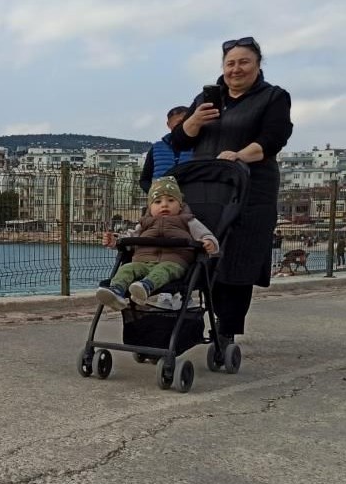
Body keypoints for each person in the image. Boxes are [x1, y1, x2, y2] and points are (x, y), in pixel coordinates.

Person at [170, 36, 293, 343]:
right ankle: (182, 324)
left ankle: (226, 331)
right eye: (230, 63)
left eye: (243, 62)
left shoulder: (273, 97)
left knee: (238, 259)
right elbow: (179, 141)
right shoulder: (207, 97)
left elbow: (273, 139)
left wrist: (239, 154)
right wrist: (193, 121)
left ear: (258, 64)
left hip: (251, 189)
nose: (236, 69)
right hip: (205, 188)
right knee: (197, 254)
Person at [96, 177, 219, 311]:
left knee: (163, 270)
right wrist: (114, 241)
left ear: (180, 205)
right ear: (150, 207)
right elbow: (129, 238)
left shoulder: (187, 221)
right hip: (142, 262)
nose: (164, 205)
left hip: (173, 262)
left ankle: (145, 286)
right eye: (158, 202)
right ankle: (117, 291)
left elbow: (205, 235)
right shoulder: (144, 223)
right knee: (127, 268)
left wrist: (209, 242)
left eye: (171, 201)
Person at [139, 106, 193, 192]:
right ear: (168, 124)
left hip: (194, 198)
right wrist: (155, 194)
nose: (183, 125)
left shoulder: (202, 145)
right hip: (165, 200)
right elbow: (144, 180)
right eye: (179, 123)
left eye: (187, 121)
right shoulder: (156, 148)